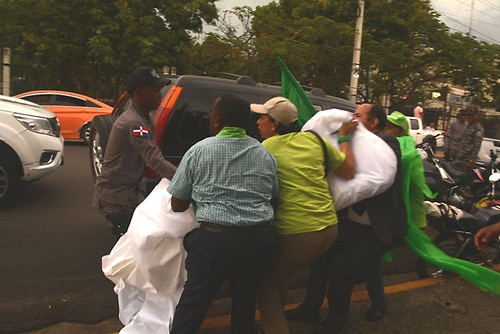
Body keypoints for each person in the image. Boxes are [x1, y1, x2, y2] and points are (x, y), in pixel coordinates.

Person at [285, 104, 407, 334]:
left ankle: (336, 321)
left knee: (342, 270)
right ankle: (310, 307)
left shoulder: (386, 143)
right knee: (322, 257)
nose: (352, 119)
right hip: (351, 223)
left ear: (373, 123)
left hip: (375, 228)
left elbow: (354, 168)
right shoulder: (353, 140)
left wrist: (343, 139)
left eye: (358, 116)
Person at [167, 93, 279, 334]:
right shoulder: (264, 154)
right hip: (259, 240)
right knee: (245, 299)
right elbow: (273, 196)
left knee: (194, 303)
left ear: (217, 120)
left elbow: (177, 204)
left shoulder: (199, 151)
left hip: (215, 242)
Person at [251, 97, 357, 334]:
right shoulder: (315, 140)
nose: (258, 122)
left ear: (275, 124)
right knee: (281, 274)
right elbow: (348, 171)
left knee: (265, 282)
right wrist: (344, 138)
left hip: (296, 233)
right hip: (329, 229)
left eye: (262, 118)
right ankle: (274, 322)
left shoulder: (266, 148)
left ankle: (275, 329)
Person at [93, 66, 177, 238]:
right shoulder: (134, 124)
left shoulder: (146, 118)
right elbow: (155, 160)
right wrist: (184, 181)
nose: (160, 95)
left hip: (130, 193)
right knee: (129, 250)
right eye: (155, 90)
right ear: (138, 93)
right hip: (117, 199)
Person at [453, 107, 484, 171]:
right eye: (467, 115)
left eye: (471, 115)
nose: (468, 117)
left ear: (476, 116)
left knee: (463, 179)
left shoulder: (478, 129)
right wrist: (449, 136)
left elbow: (476, 147)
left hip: (467, 160)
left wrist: (471, 162)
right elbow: (460, 138)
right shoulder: (468, 127)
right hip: (459, 158)